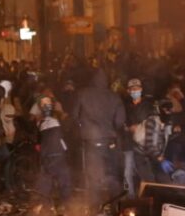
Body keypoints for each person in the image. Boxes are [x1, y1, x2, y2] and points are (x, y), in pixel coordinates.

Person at [70, 68, 125, 207]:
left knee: (93, 178)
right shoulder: (114, 97)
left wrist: (82, 128)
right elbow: (120, 121)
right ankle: (116, 210)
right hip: (110, 142)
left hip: (91, 142)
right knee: (112, 177)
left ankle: (96, 212)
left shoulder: (82, 93)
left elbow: (74, 116)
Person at [35, 95, 71, 204]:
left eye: (48, 102)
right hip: (47, 157)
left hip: (59, 155)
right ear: (40, 106)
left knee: (65, 184)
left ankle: (67, 208)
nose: (46, 106)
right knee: (44, 187)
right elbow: (39, 140)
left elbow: (68, 130)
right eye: (43, 104)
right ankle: (46, 211)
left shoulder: (60, 117)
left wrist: (61, 113)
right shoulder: (40, 122)